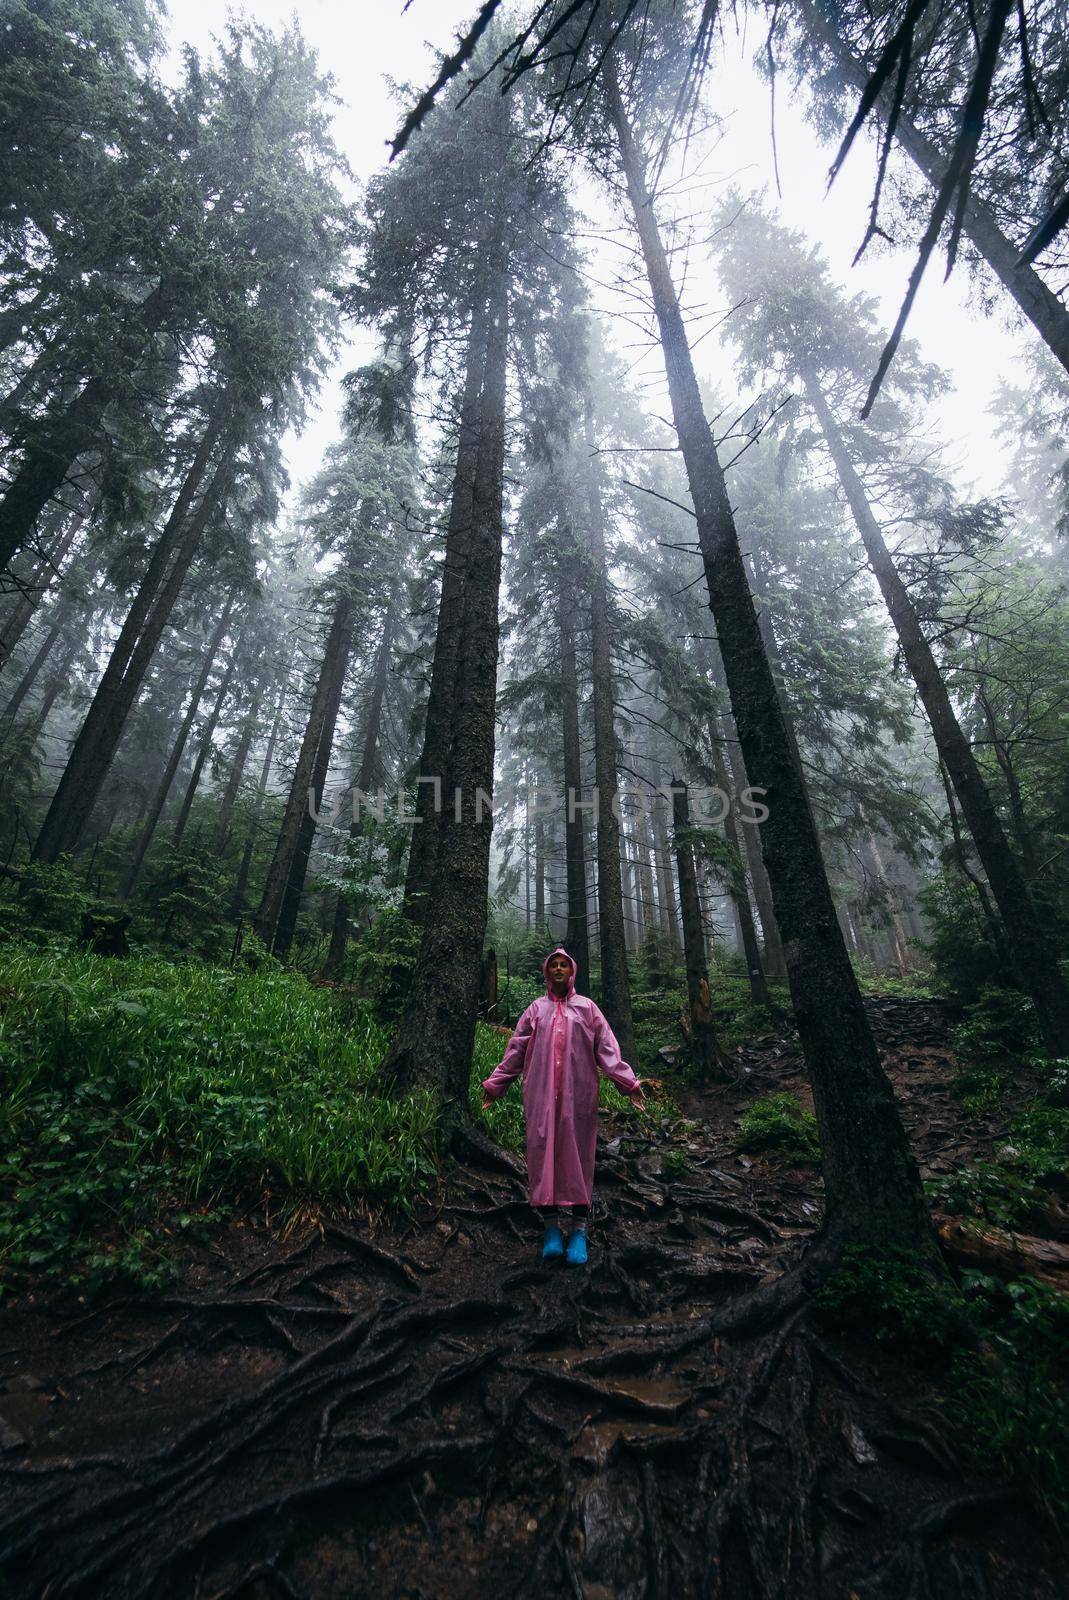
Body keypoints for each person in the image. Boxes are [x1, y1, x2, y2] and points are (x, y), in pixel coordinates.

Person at [480, 946, 647, 1264]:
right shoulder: (535, 1011)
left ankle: (580, 1232)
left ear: (572, 972)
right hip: (540, 1098)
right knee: (544, 1159)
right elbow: (514, 1052)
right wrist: (495, 1085)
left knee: (578, 1159)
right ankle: (552, 1230)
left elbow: (608, 1051)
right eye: (553, 965)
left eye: (564, 965)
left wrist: (629, 1085)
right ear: (546, 972)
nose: (558, 969)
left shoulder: (588, 1009)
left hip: (579, 1099)